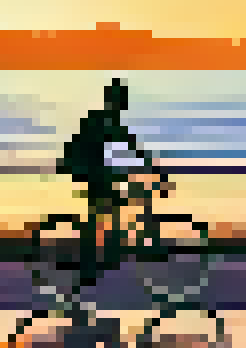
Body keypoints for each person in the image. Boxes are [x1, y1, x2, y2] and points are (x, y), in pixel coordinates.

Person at [56, 78, 167, 234]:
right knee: (104, 208)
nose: (120, 104)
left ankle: (109, 236)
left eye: (121, 100)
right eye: (118, 99)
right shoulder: (97, 122)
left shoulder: (115, 127)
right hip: (97, 174)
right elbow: (75, 145)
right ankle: (102, 238)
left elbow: (136, 151)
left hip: (104, 175)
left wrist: (156, 173)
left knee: (111, 207)